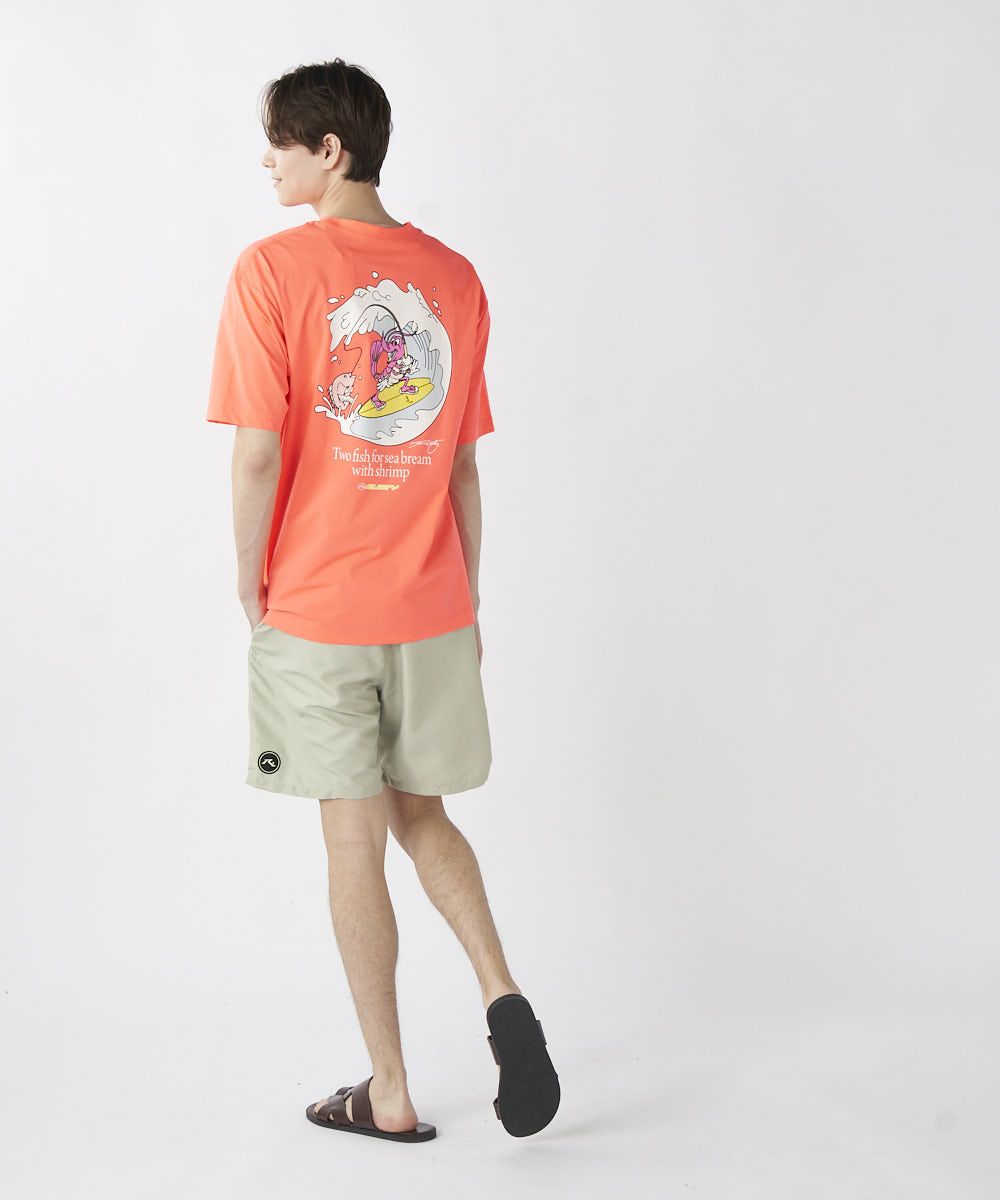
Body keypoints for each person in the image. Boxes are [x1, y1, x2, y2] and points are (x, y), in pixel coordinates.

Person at [205, 58, 559, 1143]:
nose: (266, 161)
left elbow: (257, 455)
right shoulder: (455, 277)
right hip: (432, 605)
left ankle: (391, 1091)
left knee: (353, 844)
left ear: (331, 150)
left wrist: (250, 583)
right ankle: (504, 995)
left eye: (281, 141)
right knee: (425, 816)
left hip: (320, 607)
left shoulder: (272, 270)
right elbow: (462, 467)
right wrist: (468, 601)